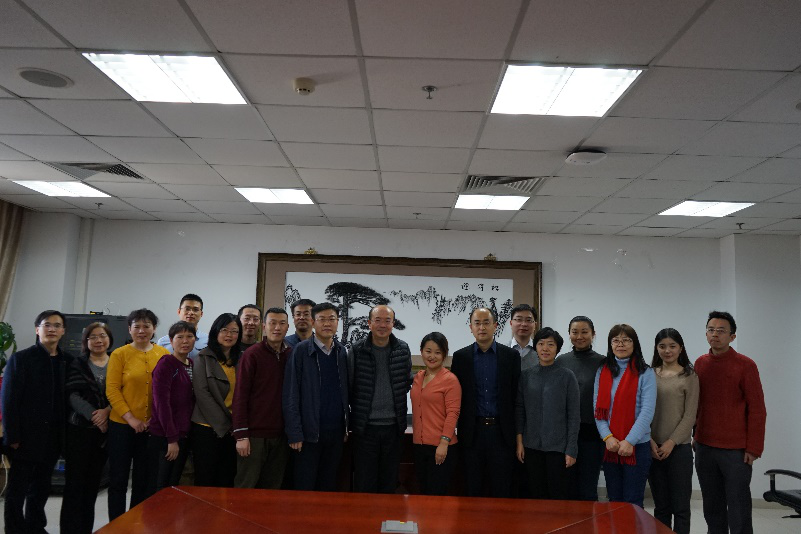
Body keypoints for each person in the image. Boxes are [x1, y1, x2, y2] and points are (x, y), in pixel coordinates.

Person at [2, 310, 73, 534]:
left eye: (57, 325)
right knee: (17, 488)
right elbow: (9, 400)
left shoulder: (68, 361)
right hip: (24, 437)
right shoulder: (21, 359)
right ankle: (14, 529)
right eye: (46, 325)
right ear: (37, 329)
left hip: (53, 437)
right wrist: (12, 436)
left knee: (41, 486)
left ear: (63, 331)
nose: (51, 329)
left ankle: (35, 526)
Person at [695, 311, 766, 534]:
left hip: (736, 451)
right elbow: (696, 405)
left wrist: (754, 448)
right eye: (711, 330)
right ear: (706, 334)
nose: (715, 334)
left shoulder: (746, 365)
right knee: (712, 505)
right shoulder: (700, 363)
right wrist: (696, 436)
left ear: (732, 336)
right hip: (705, 447)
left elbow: (757, 409)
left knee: (738, 506)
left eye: (721, 331)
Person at [106, 308, 170, 520]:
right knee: (118, 479)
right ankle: (116, 525)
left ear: (154, 329)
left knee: (143, 481)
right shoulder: (119, 354)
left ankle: (135, 523)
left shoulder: (163, 355)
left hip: (151, 428)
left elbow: (166, 390)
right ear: (129, 329)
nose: (142, 331)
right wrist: (131, 419)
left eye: (146, 326)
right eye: (137, 326)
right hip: (121, 426)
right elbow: (112, 390)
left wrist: (157, 417)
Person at [450, 307, 520, 498]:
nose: (482, 327)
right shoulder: (461, 357)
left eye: (486, 323)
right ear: (471, 327)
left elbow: (515, 396)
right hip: (472, 433)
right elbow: (456, 397)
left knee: (502, 488)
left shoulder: (511, 356)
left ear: (495, 326)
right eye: (477, 323)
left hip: (501, 433)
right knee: (472, 488)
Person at [283, 302, 349, 491]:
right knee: (304, 486)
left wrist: (346, 427)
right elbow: (291, 393)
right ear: (313, 322)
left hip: (335, 433)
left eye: (332, 319)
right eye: (322, 319)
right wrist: (294, 432)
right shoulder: (301, 350)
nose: (327, 323)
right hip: (308, 434)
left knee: (328, 485)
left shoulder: (341, 352)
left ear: (338, 322)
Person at [348, 305, 412, 494]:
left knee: (389, 482)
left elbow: (406, 382)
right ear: (369, 323)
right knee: (364, 481)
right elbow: (350, 384)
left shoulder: (402, 349)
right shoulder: (357, 350)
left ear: (393, 324)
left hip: (393, 429)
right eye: (377, 320)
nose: (382, 325)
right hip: (365, 429)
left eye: (387, 321)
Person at [593, 324, 656, 508]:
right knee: (614, 501)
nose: (620, 344)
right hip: (611, 446)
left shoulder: (646, 372)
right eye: (616, 340)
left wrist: (629, 441)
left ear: (634, 344)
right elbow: (598, 409)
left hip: (637, 446)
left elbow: (647, 411)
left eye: (626, 340)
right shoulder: (602, 371)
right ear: (610, 344)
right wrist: (608, 437)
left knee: (632, 502)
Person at [60, 322, 112, 534]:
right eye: (93, 337)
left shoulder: (117, 361)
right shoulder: (78, 363)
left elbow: (123, 392)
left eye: (103, 336)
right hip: (79, 430)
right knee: (74, 485)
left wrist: (107, 411)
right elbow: (72, 395)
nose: (99, 340)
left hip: (104, 434)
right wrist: (95, 416)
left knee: (92, 486)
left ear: (109, 339)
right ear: (86, 341)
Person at [515, 327, 579, 500]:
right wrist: (519, 442)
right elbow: (520, 410)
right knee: (535, 494)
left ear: (557, 349)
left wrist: (571, 449)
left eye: (550, 344)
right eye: (541, 344)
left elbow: (574, 416)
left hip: (558, 448)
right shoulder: (526, 376)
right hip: (531, 447)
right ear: (535, 347)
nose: (545, 348)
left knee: (558, 496)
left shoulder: (567, 376)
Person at [233, 307, 292, 489]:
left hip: (281, 436)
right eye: (272, 323)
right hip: (253, 436)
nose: (277, 327)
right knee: (246, 487)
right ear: (264, 326)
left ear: (287, 327)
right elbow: (240, 396)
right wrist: (241, 435)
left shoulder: (291, 355)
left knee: (272, 489)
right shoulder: (252, 354)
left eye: (282, 323)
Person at [648, 328, 699, 534]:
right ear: (656, 348)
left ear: (680, 348)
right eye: (662, 346)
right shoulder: (649, 374)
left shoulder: (690, 376)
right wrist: (650, 440)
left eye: (672, 346)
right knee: (661, 507)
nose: (667, 350)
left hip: (679, 450)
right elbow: (641, 410)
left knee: (681, 508)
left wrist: (671, 442)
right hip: (652, 449)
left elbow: (690, 415)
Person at [554, 316, 606, 501]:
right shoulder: (561, 361)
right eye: (575, 332)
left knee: (588, 488)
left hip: (592, 434)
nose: (579, 336)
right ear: (569, 334)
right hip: (565, 434)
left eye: (584, 332)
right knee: (567, 487)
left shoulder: (603, 362)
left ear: (593, 334)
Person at [191, 313, 242, 487]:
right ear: (215, 332)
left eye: (234, 331)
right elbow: (202, 394)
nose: (229, 335)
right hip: (207, 428)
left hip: (234, 428)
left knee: (227, 478)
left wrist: (236, 424)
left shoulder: (242, 359)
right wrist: (226, 425)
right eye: (224, 330)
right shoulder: (203, 358)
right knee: (206, 479)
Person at [147, 321, 196, 495]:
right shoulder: (166, 364)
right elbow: (161, 403)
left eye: (189, 336)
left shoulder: (191, 363)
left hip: (183, 434)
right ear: (170, 340)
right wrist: (171, 439)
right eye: (180, 337)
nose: (185, 341)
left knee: (173, 486)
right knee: (160, 487)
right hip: (165, 436)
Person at [410, 332, 460, 496]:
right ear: (421, 351)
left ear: (444, 355)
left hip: (441, 447)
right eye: (428, 351)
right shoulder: (418, 377)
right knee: (423, 493)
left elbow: (453, 413)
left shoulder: (450, 380)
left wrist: (444, 443)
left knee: (437, 496)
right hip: (419, 446)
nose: (432, 356)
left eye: (438, 352)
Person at [157, 293, 208, 360]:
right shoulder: (163, 342)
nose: (191, 313)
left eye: (195, 310)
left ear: (201, 314)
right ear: (179, 311)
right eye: (187, 309)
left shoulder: (208, 341)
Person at [508, 303, 538, 371]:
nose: (524, 324)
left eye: (528, 320)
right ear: (511, 323)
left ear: (535, 325)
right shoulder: (501, 350)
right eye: (519, 319)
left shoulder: (541, 352)